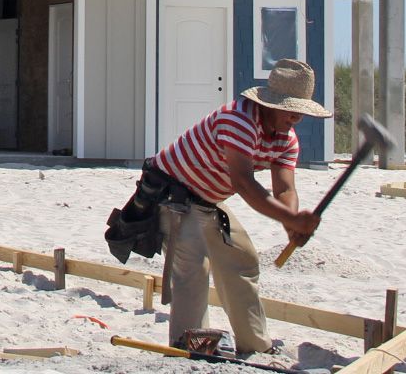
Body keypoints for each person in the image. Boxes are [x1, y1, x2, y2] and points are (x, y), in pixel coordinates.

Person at [105, 59, 326, 356]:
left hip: (209, 200)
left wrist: (291, 225)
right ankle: (190, 345)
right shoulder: (238, 119)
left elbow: (285, 188)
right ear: (270, 104)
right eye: (290, 110)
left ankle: (256, 345)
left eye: (300, 112)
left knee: (243, 260)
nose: (296, 118)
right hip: (174, 195)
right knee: (193, 268)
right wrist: (292, 219)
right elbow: (245, 183)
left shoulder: (287, 140)